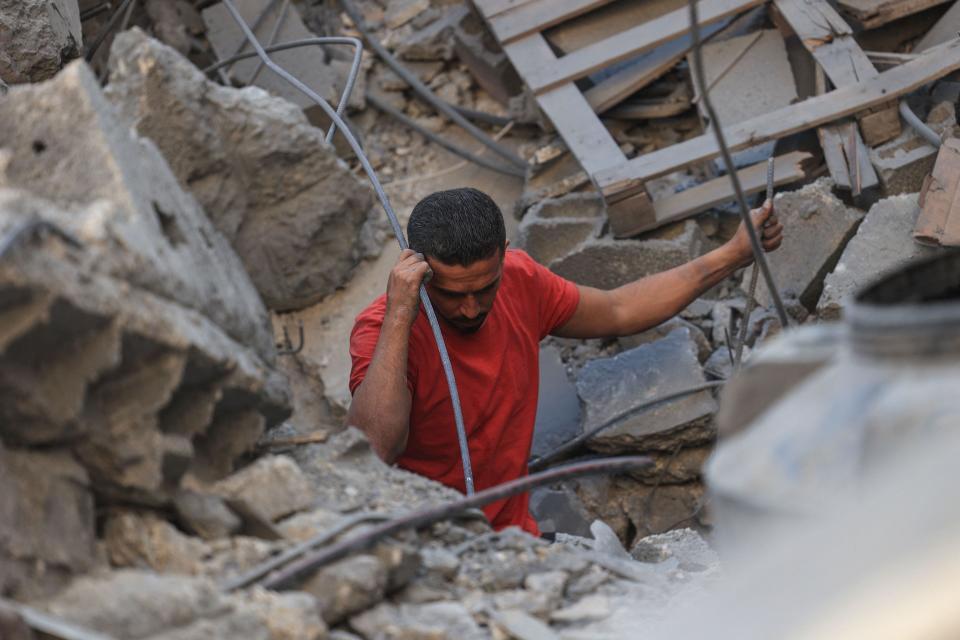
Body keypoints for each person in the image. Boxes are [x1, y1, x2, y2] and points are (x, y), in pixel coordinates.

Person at [348, 187, 782, 535]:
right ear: (417, 270)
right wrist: (402, 312)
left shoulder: (521, 280)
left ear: (504, 252)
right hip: (430, 543)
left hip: (514, 536)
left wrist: (733, 255)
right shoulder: (383, 332)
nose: (470, 308)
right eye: (451, 294)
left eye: (485, 288)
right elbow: (374, 449)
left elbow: (618, 310)